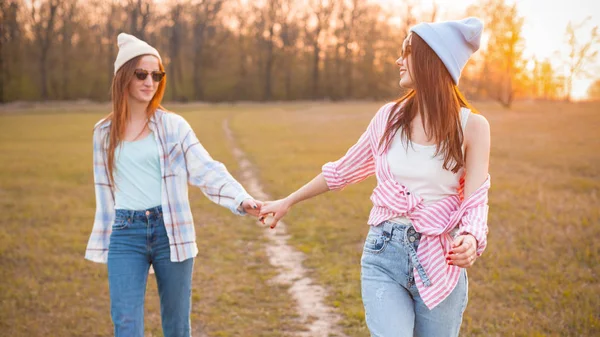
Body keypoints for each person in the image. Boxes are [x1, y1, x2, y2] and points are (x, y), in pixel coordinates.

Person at [259, 17, 491, 337]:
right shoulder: (388, 119)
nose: (398, 60)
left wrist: (471, 238)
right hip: (385, 253)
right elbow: (343, 170)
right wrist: (288, 201)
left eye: (406, 51)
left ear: (433, 60)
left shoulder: (473, 127)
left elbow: (476, 199)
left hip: (442, 258)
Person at [85, 33, 261, 337]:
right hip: (125, 234)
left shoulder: (173, 126)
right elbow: (105, 192)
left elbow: (206, 169)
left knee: (177, 326)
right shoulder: (102, 133)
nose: (149, 81)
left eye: (156, 75)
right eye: (141, 74)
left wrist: (240, 199)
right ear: (123, 76)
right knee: (125, 325)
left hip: (171, 230)